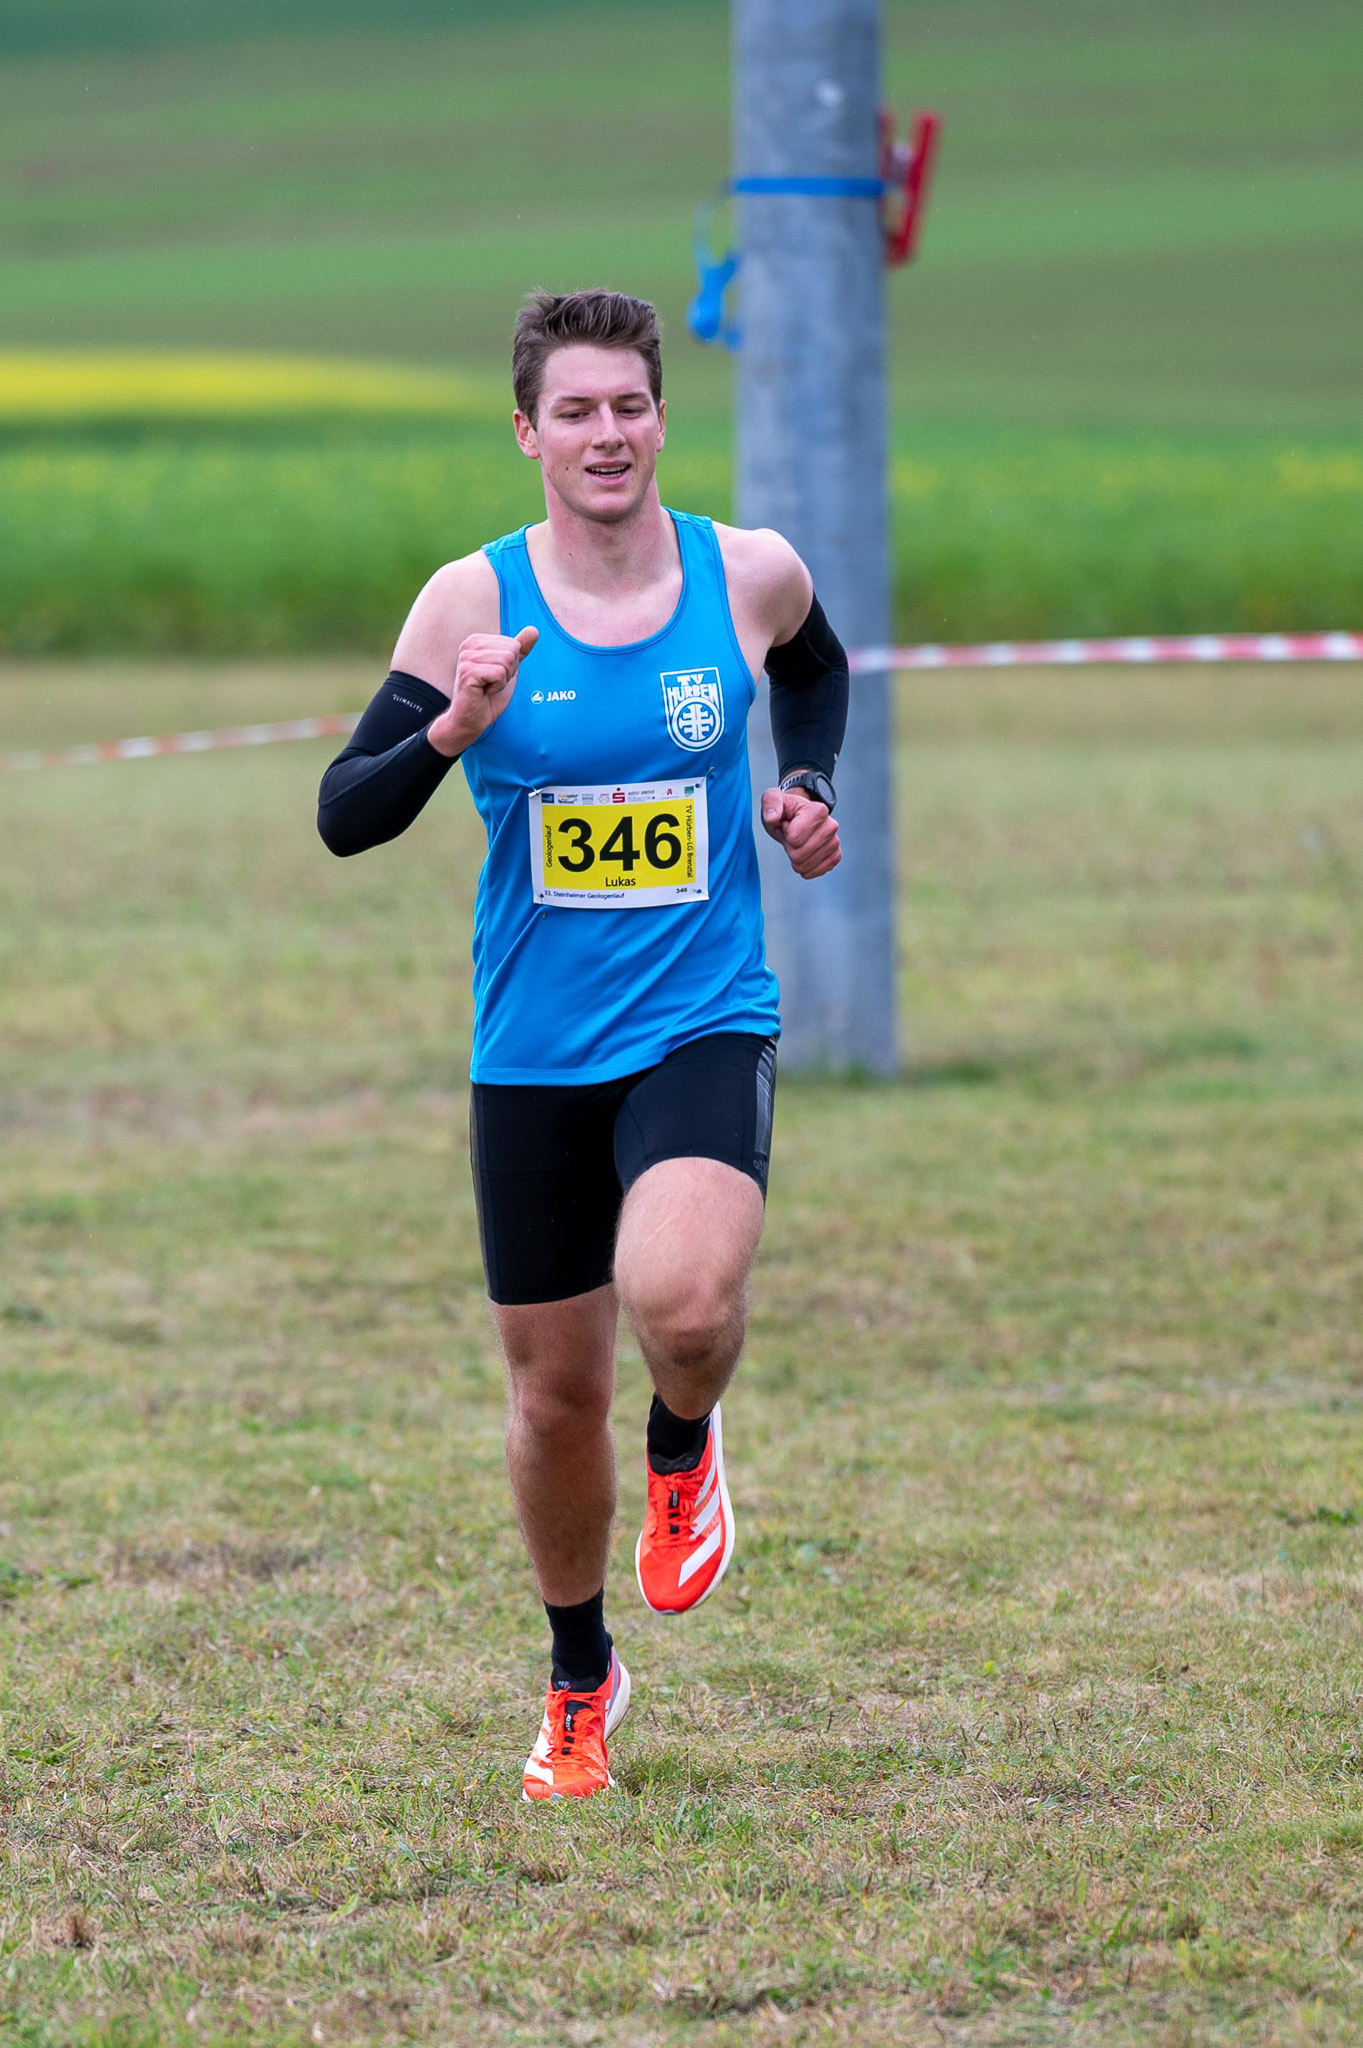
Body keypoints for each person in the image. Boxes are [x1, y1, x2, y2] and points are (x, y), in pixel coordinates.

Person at [317, 288, 849, 1801]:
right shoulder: (468, 602)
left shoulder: (746, 573)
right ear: (528, 432)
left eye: (629, 406)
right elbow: (344, 813)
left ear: (661, 418)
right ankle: (578, 1678)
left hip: (701, 1016)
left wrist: (807, 786)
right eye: (575, 412)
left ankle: (685, 1443)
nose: (606, 435)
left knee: (683, 1302)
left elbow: (816, 671)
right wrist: (450, 728)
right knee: (555, 1399)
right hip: (534, 1051)